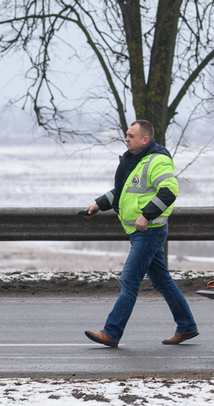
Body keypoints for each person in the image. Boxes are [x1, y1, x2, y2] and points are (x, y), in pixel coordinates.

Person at [81, 120, 199, 347]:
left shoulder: (158, 160)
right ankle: (186, 326)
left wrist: (146, 215)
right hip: (141, 232)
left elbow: (170, 191)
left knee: (129, 281)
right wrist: (97, 205)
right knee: (162, 281)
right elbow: (123, 192)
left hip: (149, 231)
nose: (126, 138)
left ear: (145, 140)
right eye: (126, 135)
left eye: (131, 136)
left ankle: (111, 332)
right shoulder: (134, 160)